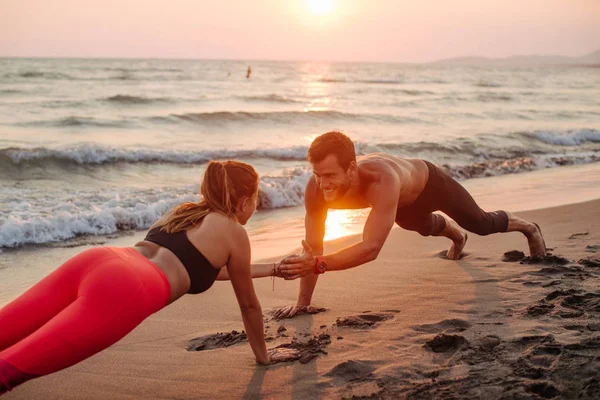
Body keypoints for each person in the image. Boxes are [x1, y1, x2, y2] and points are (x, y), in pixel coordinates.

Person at [0, 160, 297, 395]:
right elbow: (248, 306)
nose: (257, 206)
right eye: (256, 198)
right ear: (244, 201)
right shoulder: (234, 233)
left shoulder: (181, 213)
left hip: (99, 259)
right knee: (9, 372)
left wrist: (273, 268)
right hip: (127, 288)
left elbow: (204, 267)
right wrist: (264, 356)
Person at [274, 131, 546, 318]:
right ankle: (457, 238)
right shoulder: (315, 188)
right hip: (403, 204)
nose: (323, 184)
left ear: (352, 168)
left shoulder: (382, 181)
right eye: (317, 174)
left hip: (430, 184)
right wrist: (302, 304)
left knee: (481, 223)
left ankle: (529, 228)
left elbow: (370, 249)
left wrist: (320, 263)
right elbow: (313, 248)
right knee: (416, 224)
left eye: (330, 175)